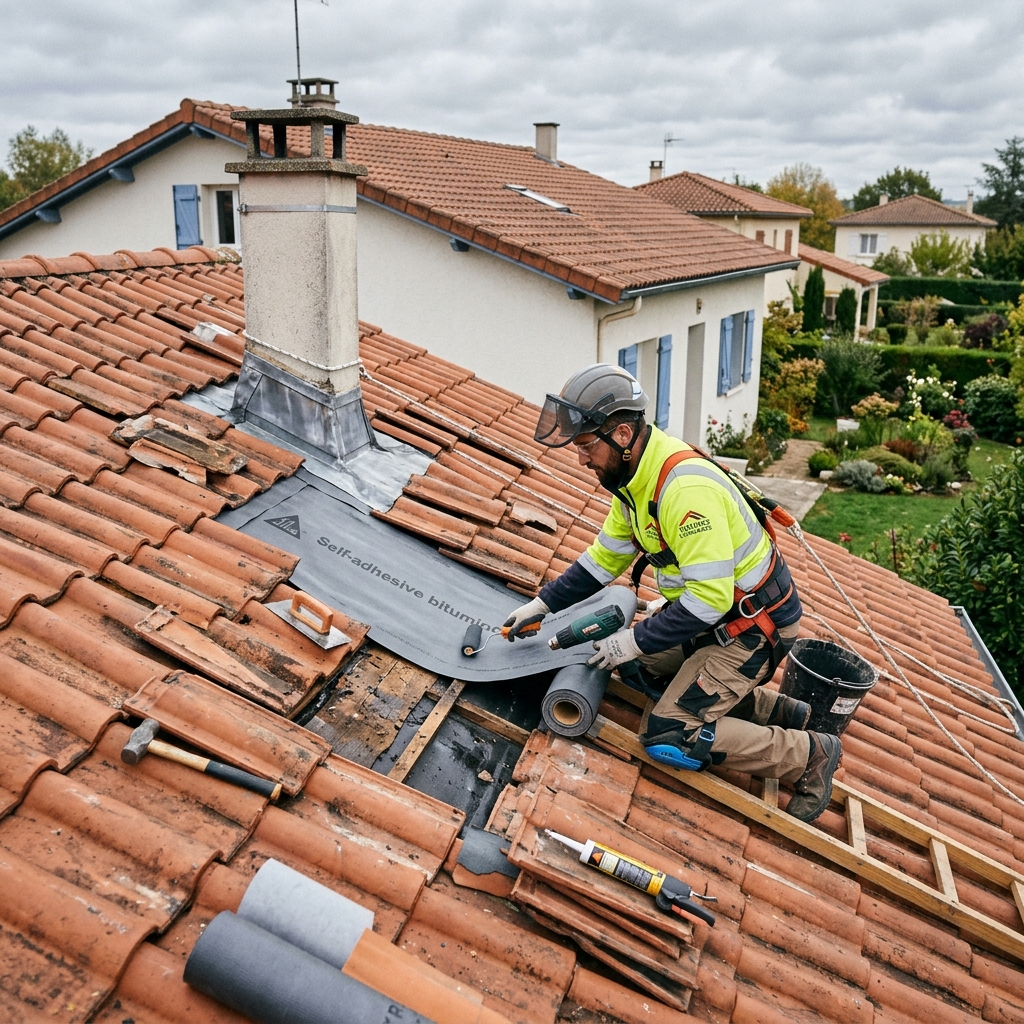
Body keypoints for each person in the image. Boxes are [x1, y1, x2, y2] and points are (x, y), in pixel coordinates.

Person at [503, 364, 841, 822]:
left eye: (586, 446)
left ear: (623, 434)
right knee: (635, 669)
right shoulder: (634, 483)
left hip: (751, 629)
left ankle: (808, 755)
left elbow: (710, 600)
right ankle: (778, 711)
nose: (581, 459)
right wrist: (541, 605)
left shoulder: (684, 490)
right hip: (715, 620)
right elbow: (603, 561)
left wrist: (631, 639)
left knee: (667, 735)